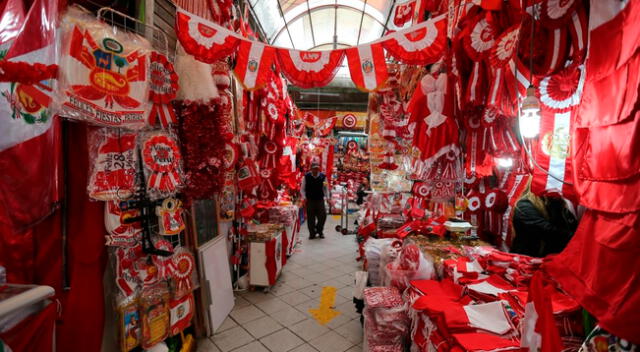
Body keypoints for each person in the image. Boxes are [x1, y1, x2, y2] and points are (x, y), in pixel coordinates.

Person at [511, 185, 578, 257]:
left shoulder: (555, 202)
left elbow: (569, 225)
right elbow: (547, 231)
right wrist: (578, 239)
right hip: (529, 259)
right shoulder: (525, 205)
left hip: (549, 257)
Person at [301, 162, 328, 239]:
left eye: (317, 168)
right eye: (314, 168)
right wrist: (304, 197)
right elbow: (302, 189)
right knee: (311, 218)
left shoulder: (323, 177)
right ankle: (312, 233)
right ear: (311, 169)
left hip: (320, 200)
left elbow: (326, 188)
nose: (316, 170)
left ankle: (319, 231)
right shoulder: (306, 177)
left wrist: (328, 197)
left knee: (323, 216)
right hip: (310, 200)